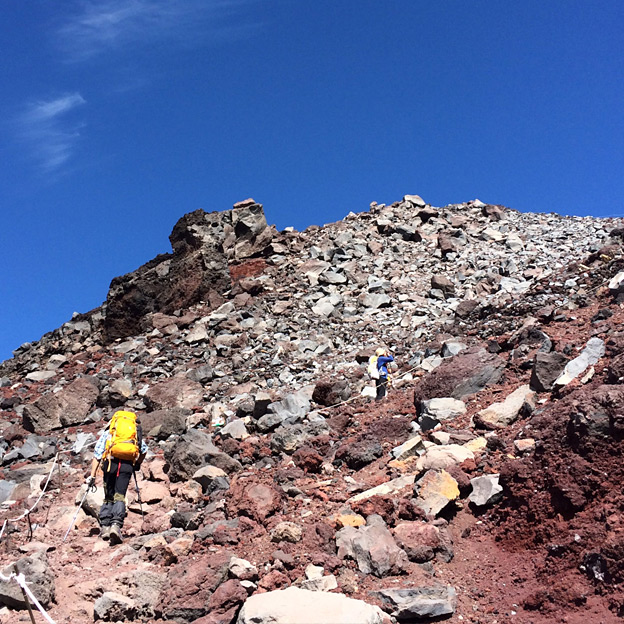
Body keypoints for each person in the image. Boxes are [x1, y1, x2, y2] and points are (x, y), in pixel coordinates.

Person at [87, 410, 147, 544]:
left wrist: (92, 476)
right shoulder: (134, 432)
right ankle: (116, 525)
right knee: (120, 495)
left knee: (109, 495)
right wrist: (137, 464)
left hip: (110, 464)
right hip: (126, 466)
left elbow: (97, 454)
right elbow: (144, 449)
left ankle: (105, 527)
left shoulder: (111, 432)